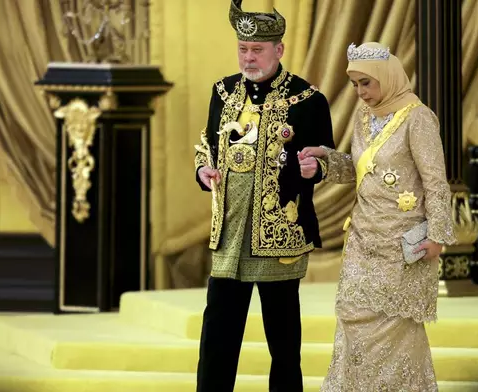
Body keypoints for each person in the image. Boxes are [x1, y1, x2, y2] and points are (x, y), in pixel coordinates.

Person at [192, 1, 335, 391]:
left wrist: (317, 168)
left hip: (279, 235)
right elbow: (206, 147)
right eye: (243, 49)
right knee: (218, 333)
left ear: (279, 50)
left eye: (257, 50)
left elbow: (332, 158)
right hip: (230, 233)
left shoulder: (308, 100)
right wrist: (203, 172)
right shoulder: (222, 92)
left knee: (284, 340)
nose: (249, 57)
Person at [298, 42, 456, 391]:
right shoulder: (364, 118)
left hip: (401, 245)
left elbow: (435, 181)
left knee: (395, 328)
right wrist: (325, 160)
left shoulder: (418, 118)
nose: (360, 93)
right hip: (362, 239)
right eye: (355, 85)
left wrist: (438, 235)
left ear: (388, 77)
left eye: (366, 83)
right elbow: (359, 171)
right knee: (352, 319)